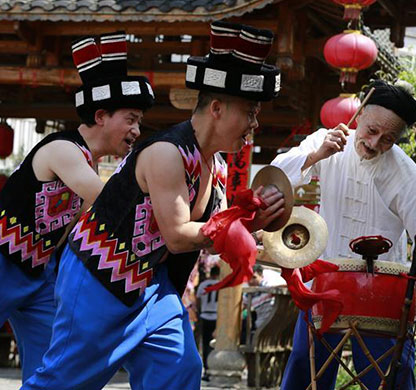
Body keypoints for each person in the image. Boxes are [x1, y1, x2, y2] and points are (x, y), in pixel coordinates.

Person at [21, 21, 284, 390]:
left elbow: (214, 230)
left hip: (153, 285)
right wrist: (234, 229)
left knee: (178, 371)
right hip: (100, 273)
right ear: (219, 108)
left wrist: (255, 222)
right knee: (65, 382)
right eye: (250, 112)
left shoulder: (216, 164)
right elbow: (178, 236)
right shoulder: (166, 153)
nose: (255, 123)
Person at [0, 31, 154, 383]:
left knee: (55, 366)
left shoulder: (86, 162)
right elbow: (109, 201)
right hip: (2, 260)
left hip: (38, 275)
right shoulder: (64, 150)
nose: (136, 130)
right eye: (130, 119)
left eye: (139, 123)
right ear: (101, 116)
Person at [273, 80, 416, 390]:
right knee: (303, 367)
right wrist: (318, 155)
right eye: (372, 130)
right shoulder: (329, 142)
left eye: (389, 138)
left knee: (390, 375)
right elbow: (275, 176)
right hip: (326, 281)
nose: (376, 143)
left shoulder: (405, 173)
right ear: (360, 113)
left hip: (383, 289)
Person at [196, 266, 220, 381]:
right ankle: (214, 368)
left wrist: (200, 311)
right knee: (215, 344)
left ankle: (206, 370)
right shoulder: (223, 283)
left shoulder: (203, 284)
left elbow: (198, 300)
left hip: (205, 315)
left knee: (205, 344)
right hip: (217, 316)